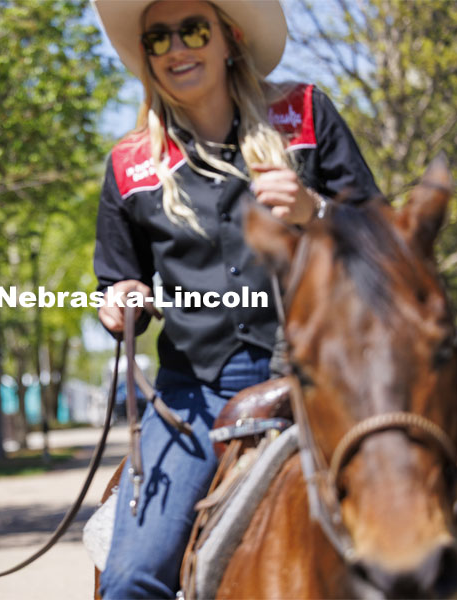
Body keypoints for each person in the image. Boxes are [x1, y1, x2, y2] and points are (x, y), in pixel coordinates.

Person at [90, 1, 381, 597]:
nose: (176, 48)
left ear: (230, 38)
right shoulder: (128, 166)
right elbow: (116, 282)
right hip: (193, 399)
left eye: (193, 30)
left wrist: (314, 211)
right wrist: (119, 302)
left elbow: (381, 236)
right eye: (157, 39)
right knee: (128, 580)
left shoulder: (306, 113)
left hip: (326, 381)